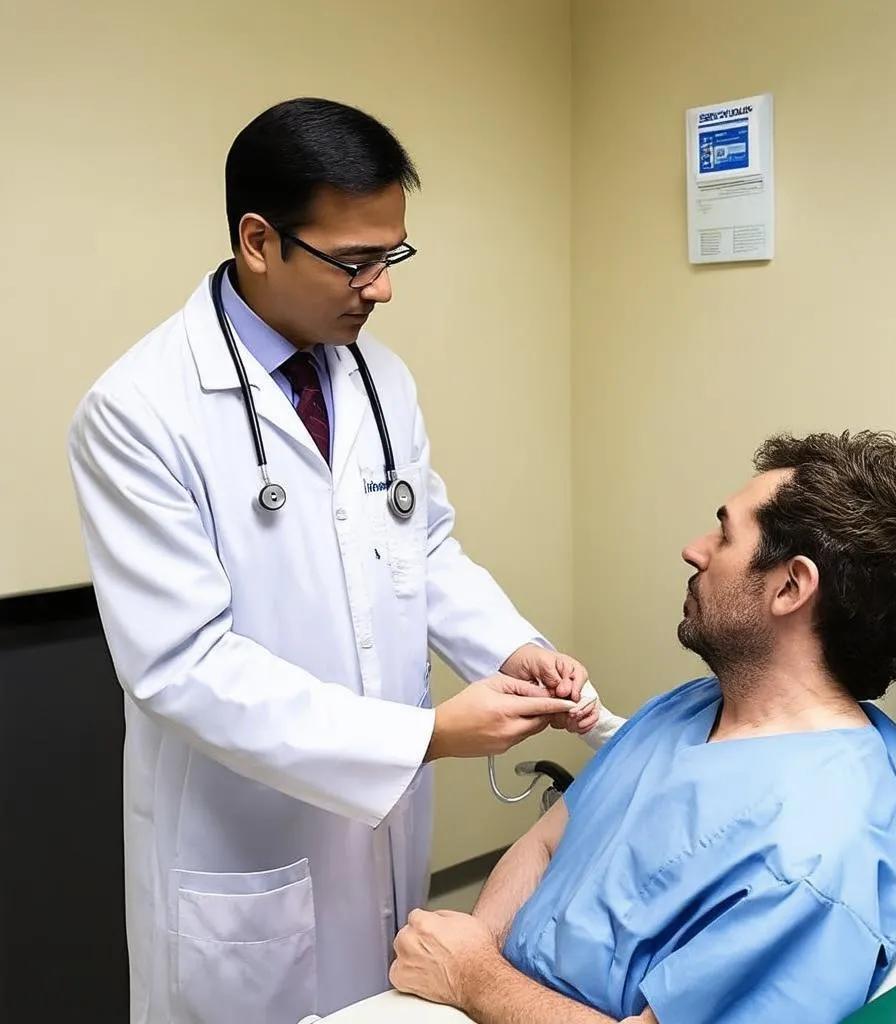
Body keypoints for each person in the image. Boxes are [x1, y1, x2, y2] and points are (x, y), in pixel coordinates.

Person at [67, 97, 619, 1024]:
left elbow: (424, 543)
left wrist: (509, 650)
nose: (381, 288)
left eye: (391, 257)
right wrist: (426, 737)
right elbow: (181, 666)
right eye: (355, 262)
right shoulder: (138, 412)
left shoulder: (377, 377)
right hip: (243, 851)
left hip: (378, 833)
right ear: (258, 240)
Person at [389, 429, 896, 1024]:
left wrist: (473, 979)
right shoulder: (693, 707)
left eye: (725, 533)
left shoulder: (807, 863)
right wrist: (470, 958)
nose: (695, 548)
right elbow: (547, 845)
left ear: (791, 586)